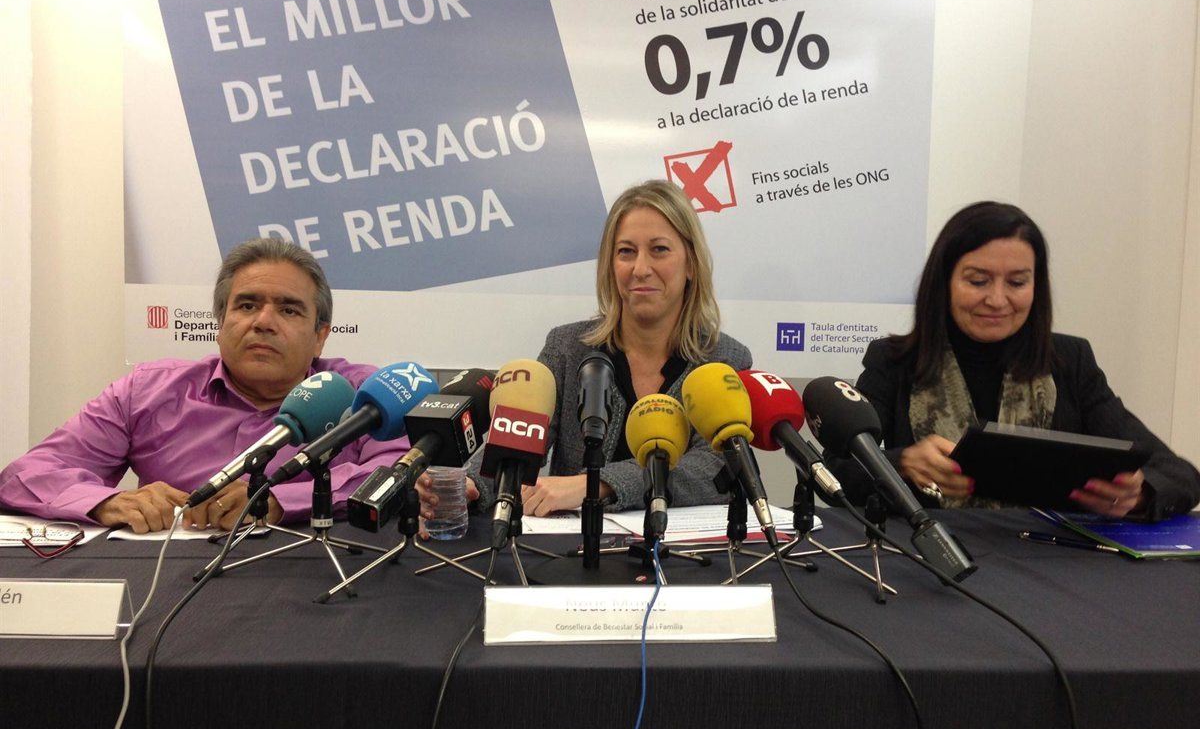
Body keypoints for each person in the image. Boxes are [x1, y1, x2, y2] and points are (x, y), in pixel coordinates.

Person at [0, 238, 411, 534]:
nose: (263, 322)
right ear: (220, 323)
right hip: (167, 580)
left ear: (320, 336)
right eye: (247, 305)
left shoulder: (364, 395)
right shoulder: (147, 391)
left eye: (288, 310)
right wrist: (106, 502)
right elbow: (26, 475)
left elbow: (398, 476)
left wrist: (277, 501)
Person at [831, 201, 1200, 521]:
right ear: (944, 283)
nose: (997, 299)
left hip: (1048, 562)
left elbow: (1179, 473)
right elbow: (836, 472)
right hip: (929, 560)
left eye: (1017, 283)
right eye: (978, 281)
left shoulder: (1070, 362)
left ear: (1036, 286)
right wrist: (901, 464)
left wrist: (1140, 494)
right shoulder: (893, 361)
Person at [421, 179, 751, 521]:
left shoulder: (726, 359)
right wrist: (470, 484)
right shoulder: (567, 348)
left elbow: (713, 471)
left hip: (683, 550)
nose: (640, 269)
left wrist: (596, 485)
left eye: (659, 249)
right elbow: (518, 439)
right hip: (571, 549)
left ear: (692, 264)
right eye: (626, 252)